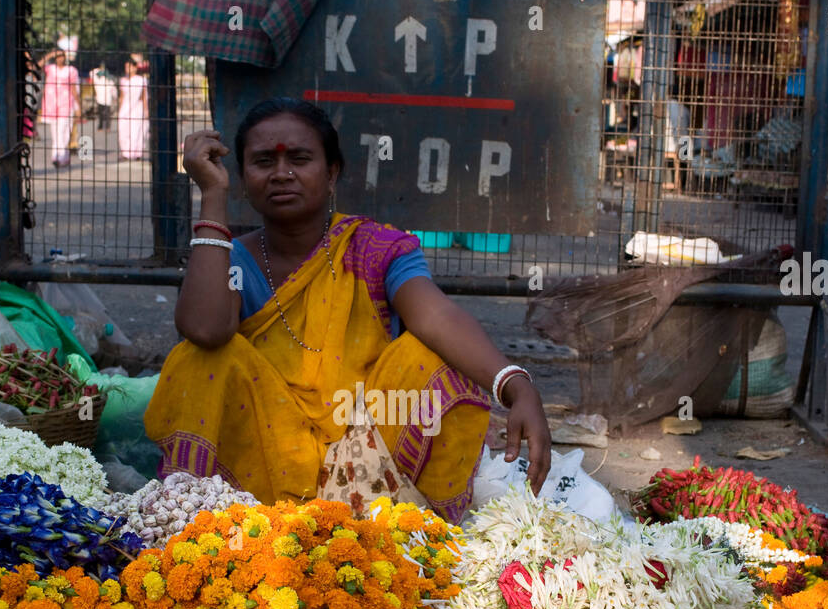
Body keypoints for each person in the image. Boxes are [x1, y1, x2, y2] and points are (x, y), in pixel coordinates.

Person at [143, 98, 551, 521]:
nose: (282, 173)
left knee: (428, 355)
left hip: (370, 466)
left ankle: (412, 528)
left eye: (300, 159)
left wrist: (515, 384)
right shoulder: (235, 260)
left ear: (332, 172)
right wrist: (212, 196)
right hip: (264, 463)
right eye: (264, 161)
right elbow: (204, 329)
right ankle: (200, 526)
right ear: (243, 179)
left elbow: (436, 316)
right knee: (199, 359)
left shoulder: (374, 247)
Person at [39, 50, 80, 168]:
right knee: (55, 132)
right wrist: (49, 55)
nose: (59, 58)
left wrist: (78, 106)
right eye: (57, 56)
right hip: (52, 105)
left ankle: (61, 157)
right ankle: (59, 156)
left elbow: (73, 88)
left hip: (66, 104)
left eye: (61, 56)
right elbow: (35, 67)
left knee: (64, 131)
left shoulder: (71, 70)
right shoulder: (50, 69)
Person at [117, 57, 148, 161]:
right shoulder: (123, 80)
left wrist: (146, 110)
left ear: (135, 68)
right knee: (124, 130)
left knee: (136, 130)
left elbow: (144, 96)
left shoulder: (141, 80)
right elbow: (121, 97)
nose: (128, 69)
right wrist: (120, 110)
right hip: (125, 109)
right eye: (126, 67)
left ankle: (137, 153)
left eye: (130, 66)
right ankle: (126, 153)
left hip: (137, 109)